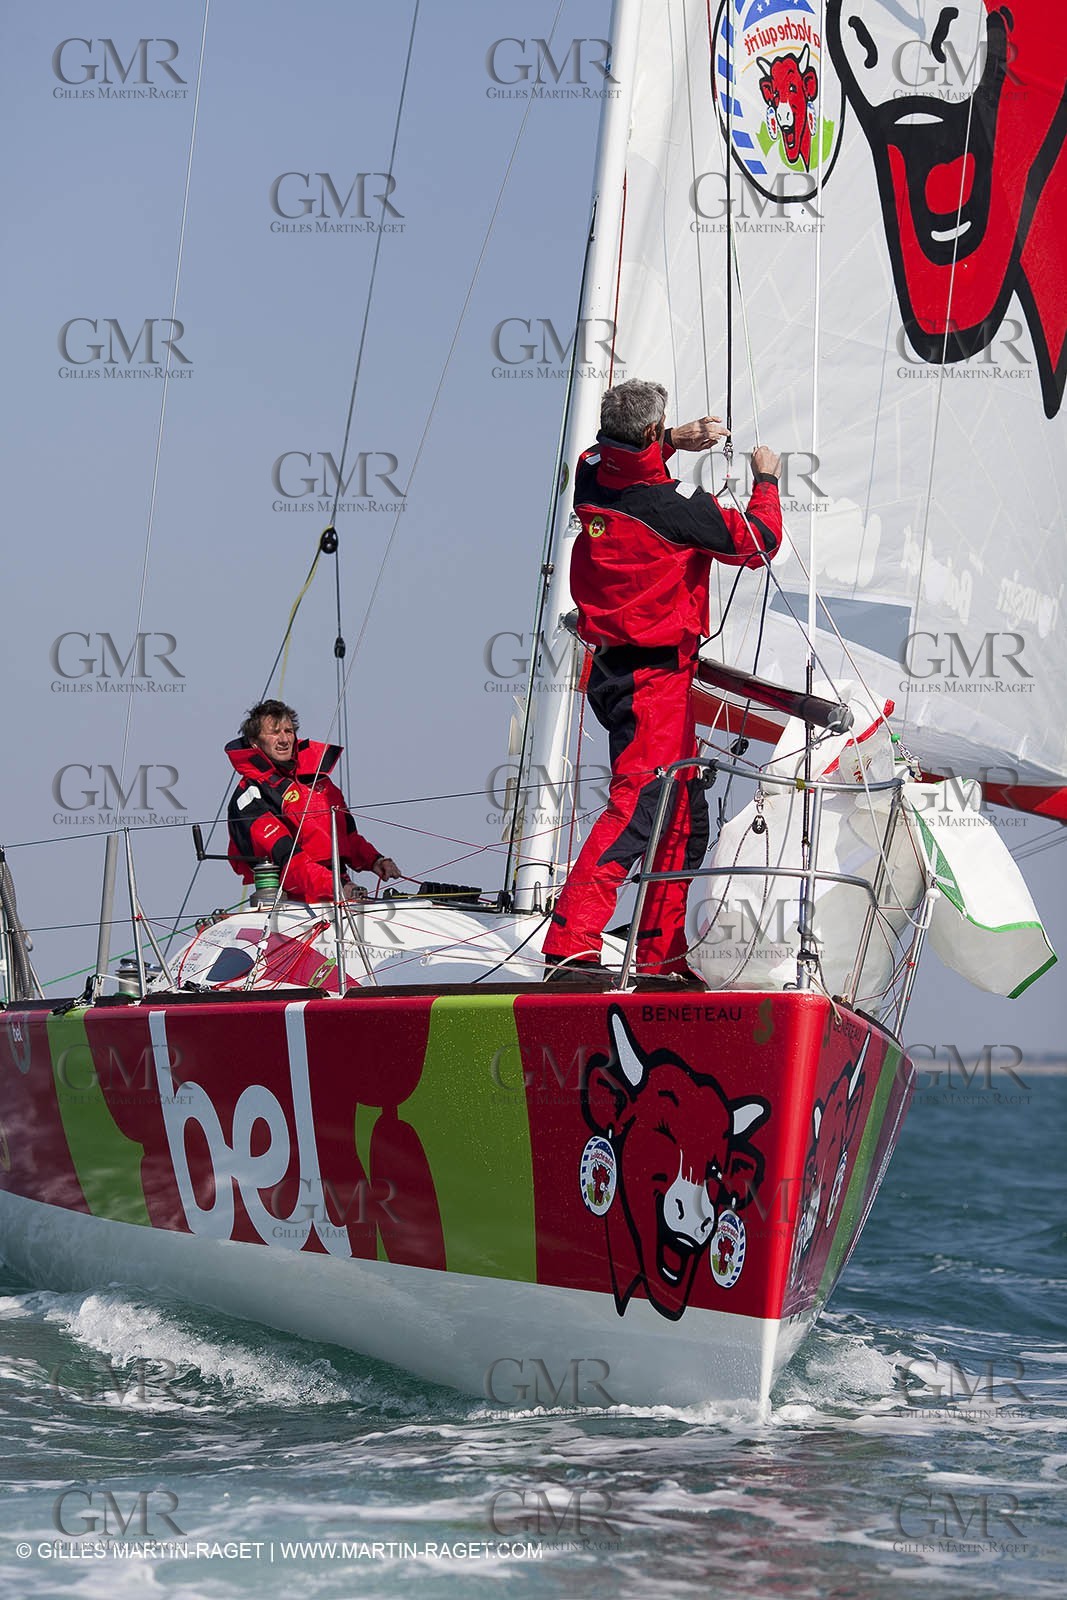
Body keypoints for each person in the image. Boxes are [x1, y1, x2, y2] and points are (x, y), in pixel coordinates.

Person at [541, 379, 782, 984]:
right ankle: (570, 942)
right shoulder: (677, 506)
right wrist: (767, 482)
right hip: (653, 683)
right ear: (650, 432)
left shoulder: (591, 470)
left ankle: (660, 956)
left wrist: (676, 439)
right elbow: (760, 542)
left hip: (615, 671)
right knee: (641, 808)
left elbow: (622, 458)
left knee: (679, 809)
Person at [226, 700, 400, 902]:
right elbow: (288, 860)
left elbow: (349, 838)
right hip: (294, 901)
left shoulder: (319, 782)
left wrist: (376, 860)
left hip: (339, 891)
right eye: (274, 732)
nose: (284, 739)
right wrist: (335, 886)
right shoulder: (251, 797)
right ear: (255, 742)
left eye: (288, 731)